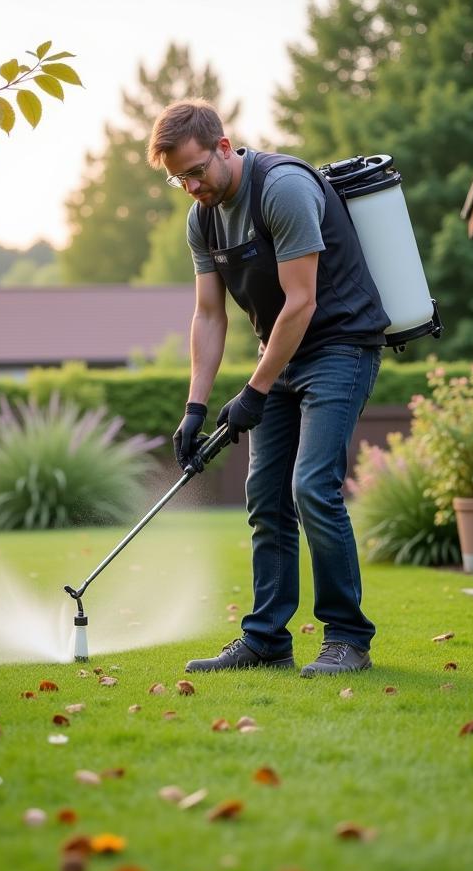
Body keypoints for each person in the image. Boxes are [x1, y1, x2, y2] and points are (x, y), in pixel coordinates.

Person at [147, 99, 390, 678]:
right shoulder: (201, 218)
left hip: (340, 344)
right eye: (178, 178)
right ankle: (266, 640)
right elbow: (209, 317)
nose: (190, 186)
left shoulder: (281, 188)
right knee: (265, 497)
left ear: (224, 147)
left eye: (197, 171)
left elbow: (302, 302)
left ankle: (348, 638)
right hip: (279, 354)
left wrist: (253, 392)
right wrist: (195, 408)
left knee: (313, 488)